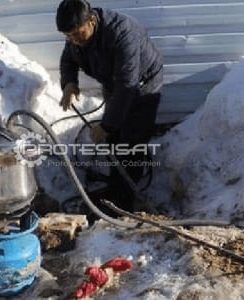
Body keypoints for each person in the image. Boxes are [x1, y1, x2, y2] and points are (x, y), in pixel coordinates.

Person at [56, 0, 163, 214]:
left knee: (131, 144)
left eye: (78, 34)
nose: (74, 41)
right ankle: (116, 191)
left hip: (142, 85)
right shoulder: (77, 36)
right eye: (69, 37)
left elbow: (127, 86)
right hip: (115, 83)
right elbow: (68, 59)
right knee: (114, 142)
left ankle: (123, 206)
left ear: (92, 20)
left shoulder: (123, 34)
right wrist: (69, 83)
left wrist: (107, 125)